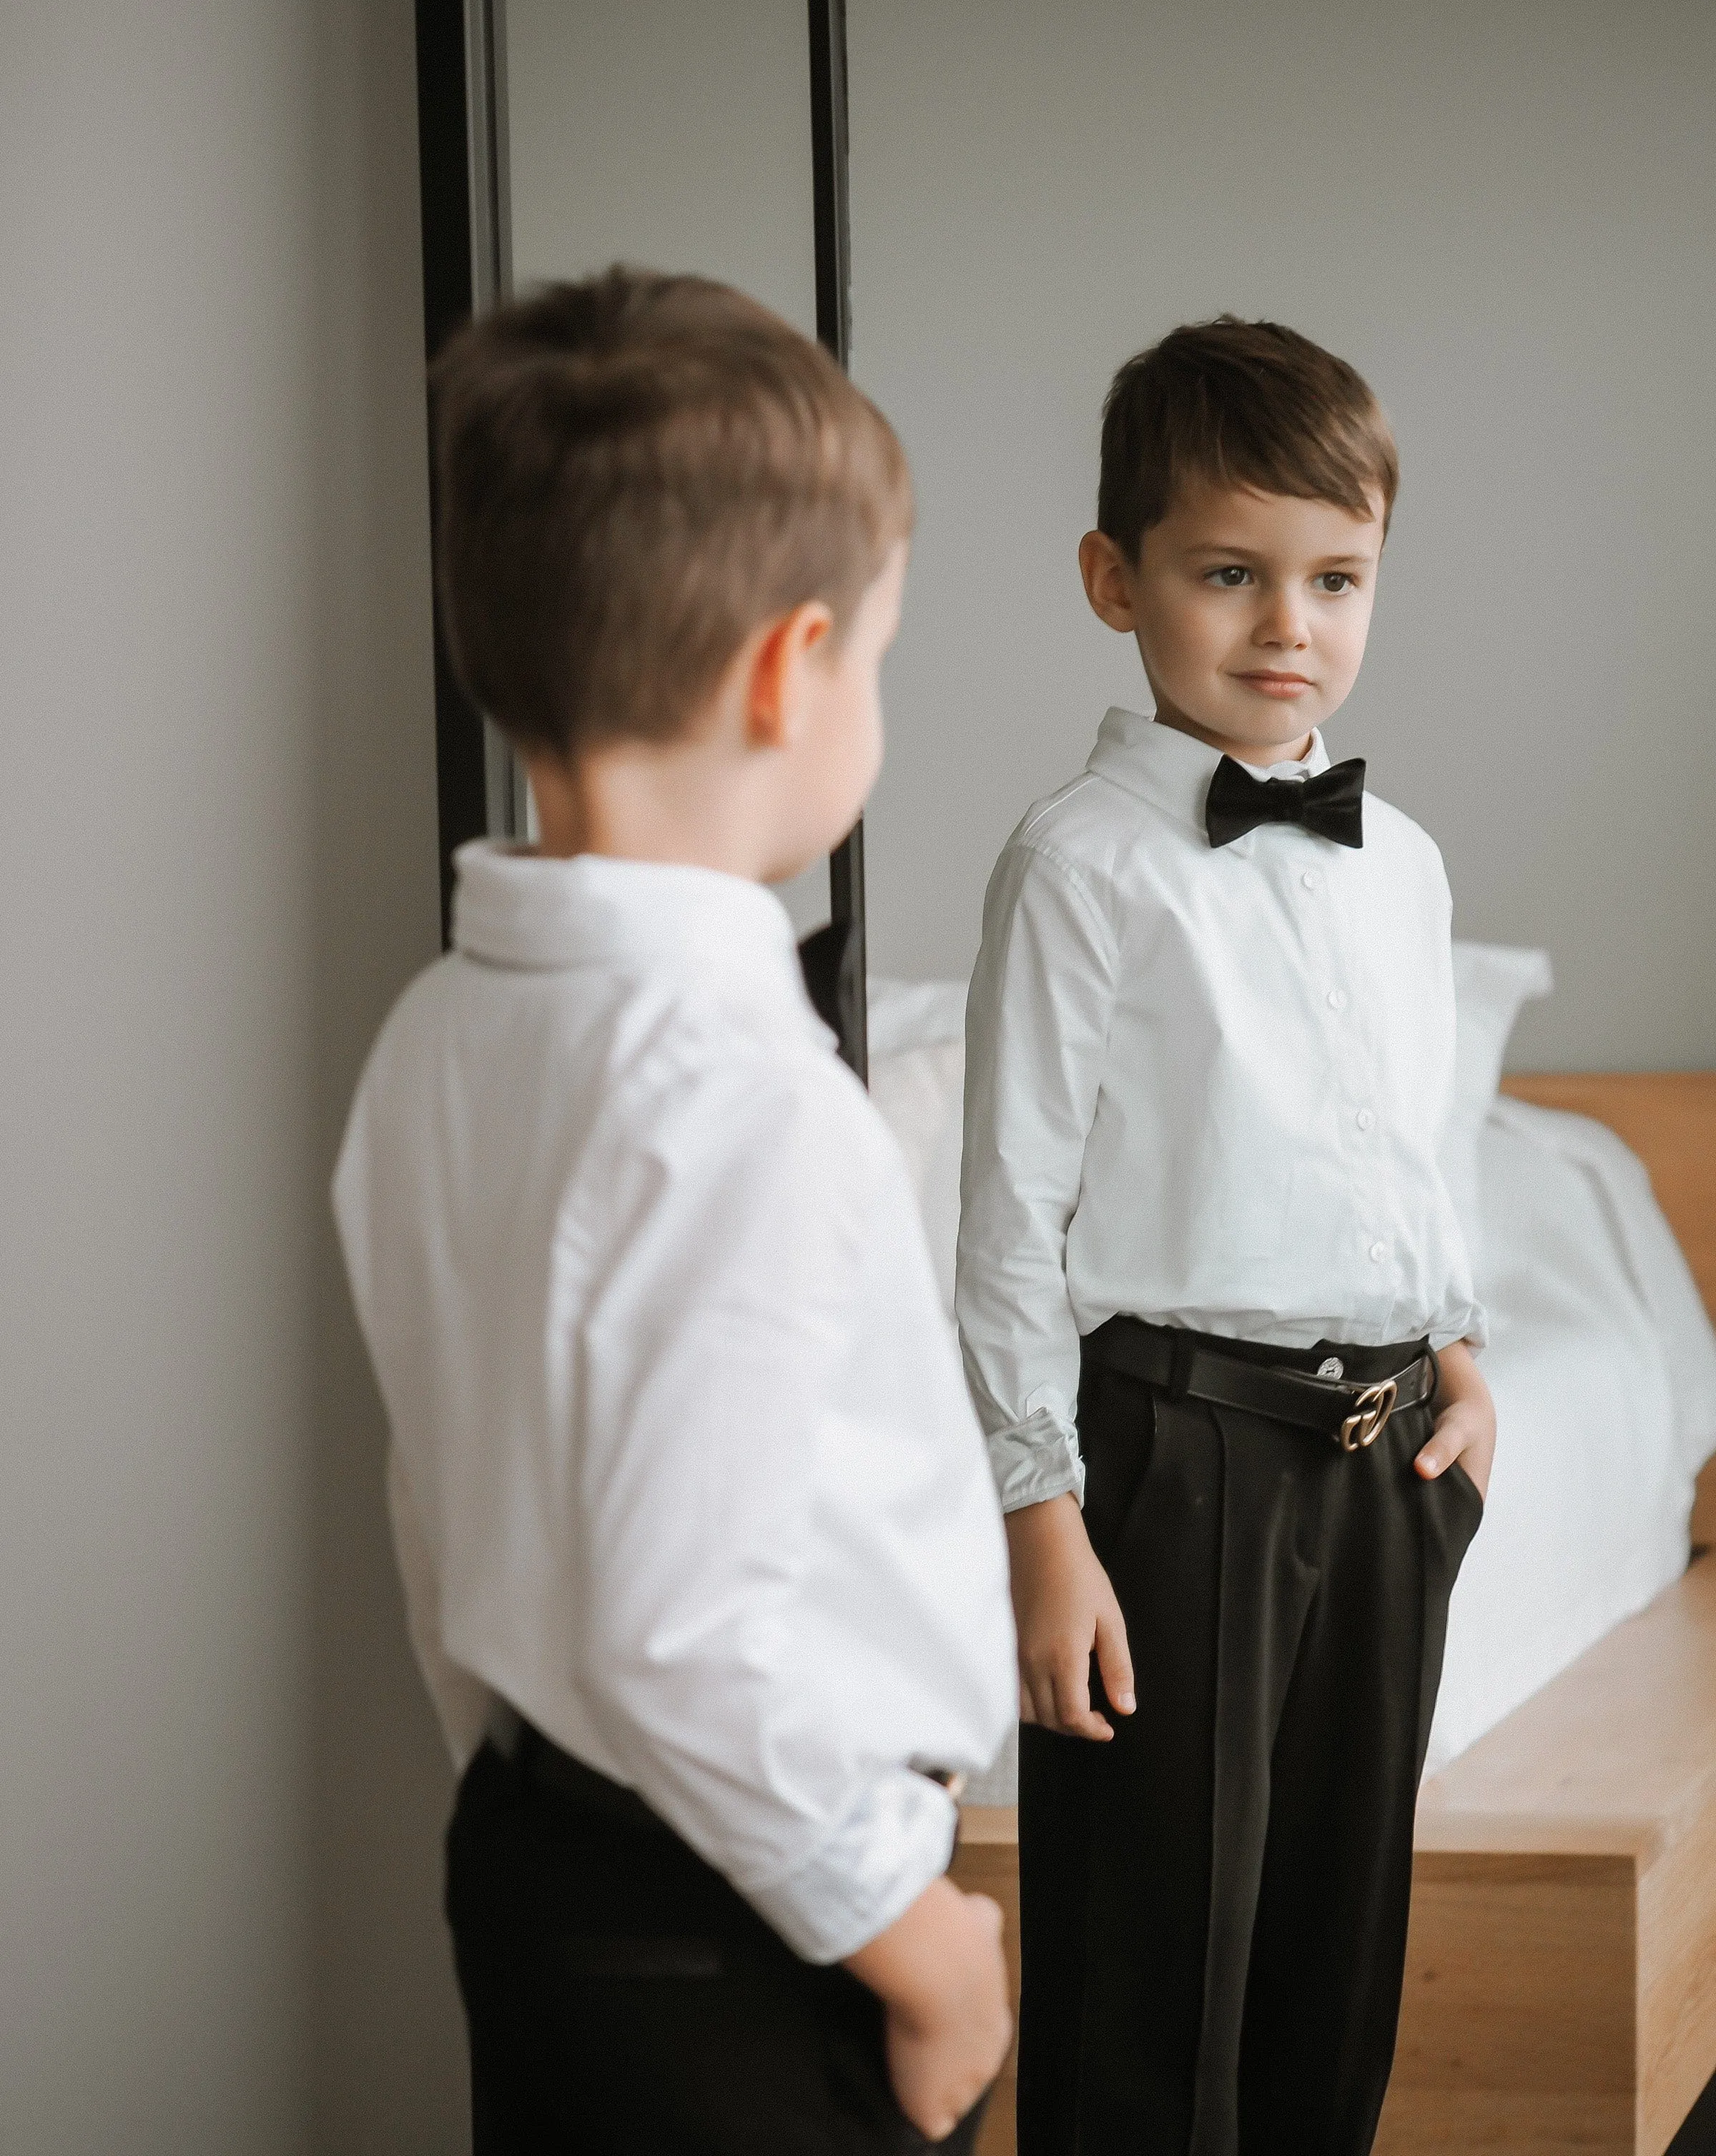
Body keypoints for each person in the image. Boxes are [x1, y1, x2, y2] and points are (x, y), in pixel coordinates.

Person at [334, 270, 1016, 2155]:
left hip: (550, 1853)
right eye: (876, 656)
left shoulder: (439, 1032)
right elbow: (681, 1631)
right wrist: (923, 1944)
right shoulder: (739, 1095)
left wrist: (537, 1792)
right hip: (755, 1925)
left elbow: (452, 1512)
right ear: (789, 670)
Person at [957, 317, 1496, 2156]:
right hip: (1172, 1467)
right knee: (1149, 1980)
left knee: (1337, 1966)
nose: (1290, 625)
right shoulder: (1080, 863)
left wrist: (1468, 1346)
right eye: (1230, 572)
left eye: (1337, 578)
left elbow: (1421, 1139)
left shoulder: (1405, 864)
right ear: (1116, 581)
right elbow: (1015, 1216)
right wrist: (1043, 1514)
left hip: (1382, 1466)